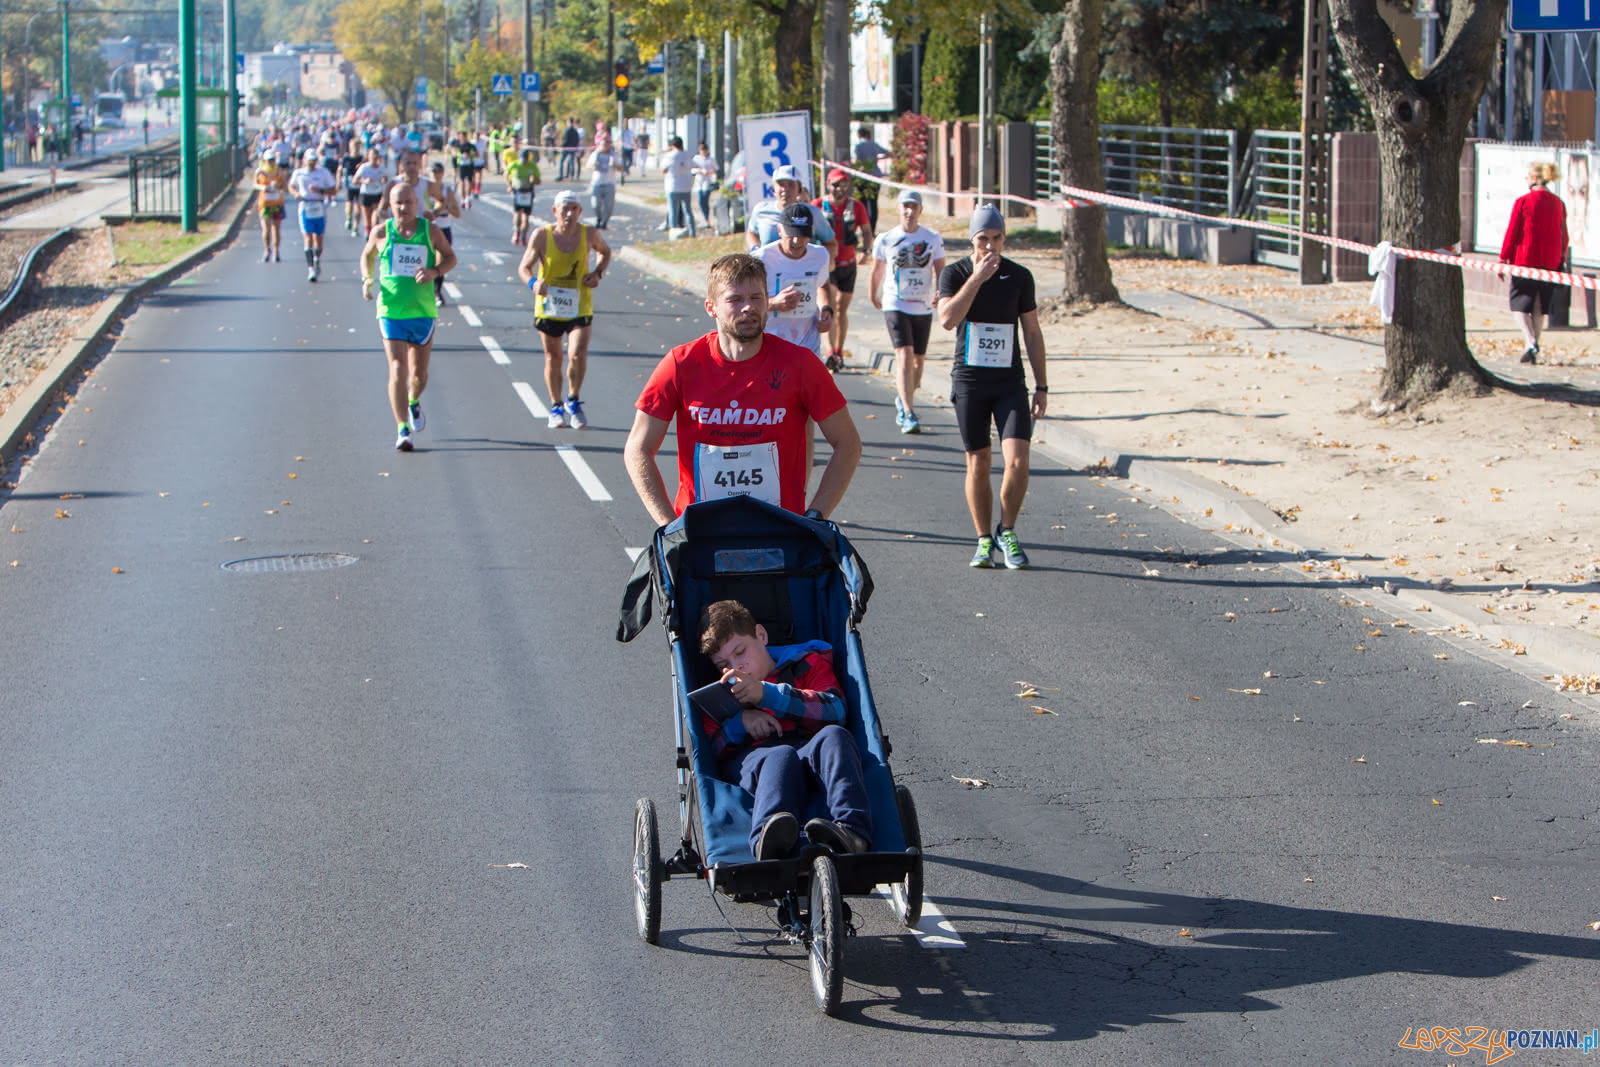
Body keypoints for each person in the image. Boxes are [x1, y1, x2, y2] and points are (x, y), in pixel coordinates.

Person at [623, 252, 861, 525]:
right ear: (711, 307)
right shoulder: (681, 364)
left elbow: (848, 443)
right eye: (735, 299)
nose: (748, 307)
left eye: (756, 298)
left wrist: (816, 516)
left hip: (779, 531)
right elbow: (637, 449)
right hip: (700, 535)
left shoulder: (801, 364)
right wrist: (668, 525)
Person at [698, 600, 873, 860]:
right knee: (780, 755)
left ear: (761, 635)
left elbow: (836, 709)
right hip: (758, 761)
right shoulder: (720, 695)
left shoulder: (804, 663)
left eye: (741, 652)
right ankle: (767, 839)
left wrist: (769, 696)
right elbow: (710, 750)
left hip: (809, 749)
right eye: (723, 664)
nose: (736, 667)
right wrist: (740, 723)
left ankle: (853, 832)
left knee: (835, 736)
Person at [938, 204, 1048, 570]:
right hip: (970, 380)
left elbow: (1031, 332)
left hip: (1009, 381)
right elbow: (948, 319)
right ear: (972, 239)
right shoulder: (955, 273)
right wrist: (977, 279)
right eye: (983, 239)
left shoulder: (1019, 276)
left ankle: (1008, 530)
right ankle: (984, 539)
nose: (990, 246)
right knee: (979, 461)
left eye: (997, 239)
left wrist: (1042, 384)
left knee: (1017, 461)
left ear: (1004, 238)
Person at [360, 182, 457, 452]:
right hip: (391, 309)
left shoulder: (430, 231)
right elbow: (367, 255)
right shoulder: (382, 232)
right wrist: (367, 279)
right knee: (397, 367)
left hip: (423, 310)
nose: (403, 208)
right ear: (390, 205)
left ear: (416, 203)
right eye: (398, 203)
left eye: (408, 202)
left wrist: (434, 272)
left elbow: (450, 258)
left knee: (419, 374)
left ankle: (413, 401)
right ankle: (402, 429)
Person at [517, 190, 611, 429]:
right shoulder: (541, 236)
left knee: (577, 354)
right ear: (555, 211)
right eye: (564, 209)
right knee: (553, 357)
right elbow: (524, 267)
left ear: (580, 212)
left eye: (574, 209)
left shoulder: (588, 234)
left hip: (579, 303)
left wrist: (597, 273)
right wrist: (533, 283)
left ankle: (573, 399)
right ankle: (556, 404)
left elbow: (605, 252)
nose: (569, 214)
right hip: (549, 306)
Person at [870, 189, 946, 433]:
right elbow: (877, 270)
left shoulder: (932, 238)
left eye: (914, 207)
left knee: (919, 362)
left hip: (922, 305)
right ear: (898, 209)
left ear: (920, 210)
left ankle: (904, 399)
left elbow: (941, 269)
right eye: (905, 206)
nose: (909, 211)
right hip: (895, 302)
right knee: (904, 353)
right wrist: (873, 293)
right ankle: (909, 412)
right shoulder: (885, 239)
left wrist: (942, 293)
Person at [1500, 160, 1569, 365]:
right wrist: (1561, 258)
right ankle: (1533, 347)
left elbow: (1513, 232)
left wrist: (1504, 257)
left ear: (1533, 178)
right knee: (1540, 306)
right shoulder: (1558, 203)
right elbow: (1563, 234)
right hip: (1550, 261)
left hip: (1525, 259)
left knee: (1519, 304)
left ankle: (1530, 341)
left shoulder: (1523, 201)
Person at [756, 203, 834, 363]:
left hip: (807, 344)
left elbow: (823, 285)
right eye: (791, 234)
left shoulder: (820, 255)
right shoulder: (761, 259)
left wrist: (827, 311)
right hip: (771, 345)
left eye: (803, 234)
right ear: (779, 230)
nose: (797, 241)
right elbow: (746, 302)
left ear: (811, 231)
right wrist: (774, 304)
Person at [813, 167, 872, 369]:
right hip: (828, 265)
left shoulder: (856, 207)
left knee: (842, 309)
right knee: (832, 305)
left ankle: (839, 349)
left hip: (848, 263)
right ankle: (830, 351)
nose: (840, 188)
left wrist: (866, 250)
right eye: (836, 184)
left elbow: (866, 230)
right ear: (828, 185)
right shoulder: (819, 205)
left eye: (844, 184)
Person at [744, 163, 835, 255]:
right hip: (768, 268)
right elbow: (751, 232)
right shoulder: (761, 210)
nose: (785, 189)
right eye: (781, 184)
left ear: (799, 189)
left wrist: (823, 262)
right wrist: (756, 250)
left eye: (790, 185)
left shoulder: (812, 213)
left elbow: (831, 244)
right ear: (773, 189)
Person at [287, 149, 337, 282]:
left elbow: (333, 189)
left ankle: (316, 259)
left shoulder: (323, 173)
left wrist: (320, 190)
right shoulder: (299, 173)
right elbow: (291, 186)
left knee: (319, 239)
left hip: (319, 206)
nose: (312, 163)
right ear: (304, 160)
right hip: (305, 206)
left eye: (314, 160)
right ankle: (311, 269)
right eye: (309, 160)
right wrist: (295, 194)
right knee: (308, 237)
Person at [426, 160, 461, 305]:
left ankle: (437, 292)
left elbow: (457, 213)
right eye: (434, 172)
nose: (436, 175)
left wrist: (446, 206)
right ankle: (427, 290)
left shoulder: (447, 191)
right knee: (428, 261)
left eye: (439, 172)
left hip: (444, 229)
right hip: (428, 229)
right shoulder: (424, 189)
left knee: (441, 262)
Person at [850, 125, 891, 230]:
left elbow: (856, 160)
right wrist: (877, 158)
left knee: (862, 204)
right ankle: (872, 229)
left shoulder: (858, 146)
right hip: (875, 176)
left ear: (859, 135)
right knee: (873, 203)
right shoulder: (874, 144)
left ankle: (864, 228)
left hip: (862, 177)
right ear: (869, 135)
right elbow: (889, 153)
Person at [659, 135, 696, 236]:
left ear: (672, 145)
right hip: (686, 186)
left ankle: (674, 232)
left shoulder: (670, 156)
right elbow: (694, 166)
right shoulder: (687, 155)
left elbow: (663, 169)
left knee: (673, 211)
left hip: (673, 186)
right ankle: (693, 232)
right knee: (688, 210)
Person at [254, 153, 288, 262]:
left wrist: (278, 185)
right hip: (264, 204)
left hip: (277, 203)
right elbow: (255, 184)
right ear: (265, 160)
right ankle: (267, 249)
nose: (271, 162)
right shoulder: (260, 171)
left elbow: (285, 186)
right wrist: (263, 187)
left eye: (272, 159)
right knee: (266, 229)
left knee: (276, 228)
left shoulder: (279, 171)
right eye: (269, 160)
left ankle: (276, 251)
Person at [506, 147, 542, 245]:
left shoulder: (532, 166)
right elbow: (506, 174)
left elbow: (539, 181)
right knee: (517, 213)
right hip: (517, 191)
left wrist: (534, 180)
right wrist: (509, 186)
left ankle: (523, 236)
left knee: (526, 216)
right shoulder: (514, 165)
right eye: (522, 159)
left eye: (526, 160)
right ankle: (516, 232)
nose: (524, 162)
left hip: (528, 192)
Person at [586, 133, 620, 229]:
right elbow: (588, 166)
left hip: (610, 183)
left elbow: (621, 168)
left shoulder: (614, 154)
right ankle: (599, 218)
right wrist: (593, 165)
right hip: (597, 183)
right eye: (603, 143)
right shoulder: (596, 154)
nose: (605, 145)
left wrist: (615, 165)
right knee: (595, 204)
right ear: (600, 143)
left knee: (609, 206)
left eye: (607, 143)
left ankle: (605, 222)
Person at [354, 147, 389, 234]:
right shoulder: (364, 167)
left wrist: (384, 180)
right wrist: (364, 181)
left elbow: (385, 178)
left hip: (377, 193)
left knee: (376, 214)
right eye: (372, 155)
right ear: (369, 156)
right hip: (366, 193)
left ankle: (374, 232)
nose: (374, 157)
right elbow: (355, 180)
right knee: (367, 217)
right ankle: (368, 231)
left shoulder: (381, 167)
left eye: (376, 155)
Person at [339, 136, 366, 233]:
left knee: (358, 207)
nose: (355, 148)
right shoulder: (346, 158)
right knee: (349, 204)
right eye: (353, 146)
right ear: (350, 147)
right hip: (349, 184)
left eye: (357, 146)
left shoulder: (362, 158)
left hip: (360, 185)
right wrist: (338, 182)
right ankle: (349, 219)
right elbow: (340, 170)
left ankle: (356, 227)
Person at [691, 141, 718, 228]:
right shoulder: (696, 158)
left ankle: (707, 219)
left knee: (705, 200)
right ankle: (704, 219)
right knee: (700, 201)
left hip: (708, 181)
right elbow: (692, 169)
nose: (703, 151)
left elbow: (716, 169)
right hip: (699, 181)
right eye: (701, 150)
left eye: (704, 150)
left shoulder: (711, 159)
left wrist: (709, 172)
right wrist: (699, 171)